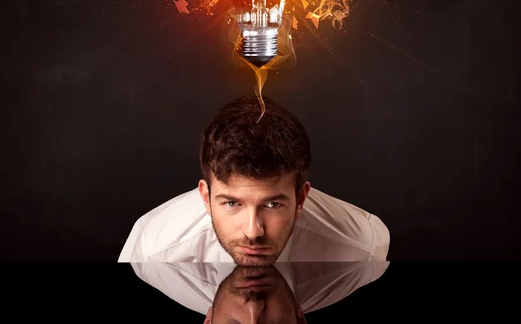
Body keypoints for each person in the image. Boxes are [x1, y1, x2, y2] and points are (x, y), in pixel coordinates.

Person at [118, 95, 390, 264]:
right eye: (232, 204)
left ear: (301, 198)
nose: (253, 231)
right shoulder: (153, 250)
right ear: (205, 196)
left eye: (272, 204)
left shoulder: (362, 248)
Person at [128, 261, 390, 320]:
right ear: (299, 317)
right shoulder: (359, 263)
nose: (254, 307)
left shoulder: (155, 262)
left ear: (208, 319)